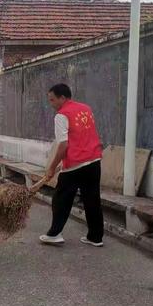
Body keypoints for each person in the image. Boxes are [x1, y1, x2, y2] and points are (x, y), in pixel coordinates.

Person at [40, 83, 104, 247]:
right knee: (92, 199)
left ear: (62, 97)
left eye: (53, 100)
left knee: (60, 199)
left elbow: (63, 145)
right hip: (94, 161)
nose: (51, 104)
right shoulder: (86, 108)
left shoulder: (61, 115)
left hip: (75, 165)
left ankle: (55, 234)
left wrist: (52, 167)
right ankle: (95, 237)